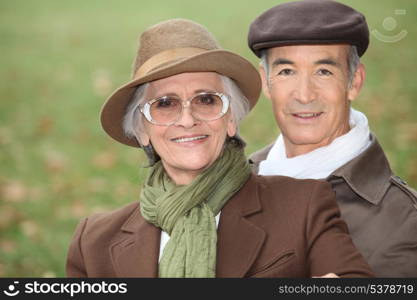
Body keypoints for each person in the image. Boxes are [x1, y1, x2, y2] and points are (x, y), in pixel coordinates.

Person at [66, 18, 373, 278]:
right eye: (165, 104)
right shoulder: (93, 242)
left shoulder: (304, 205)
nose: (188, 119)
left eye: (206, 100)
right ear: (142, 130)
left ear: (230, 120)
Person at [247, 0, 417, 277]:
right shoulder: (234, 181)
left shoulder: (406, 222)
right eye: (286, 71)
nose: (304, 94)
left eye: (324, 71)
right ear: (266, 82)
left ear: (354, 82)